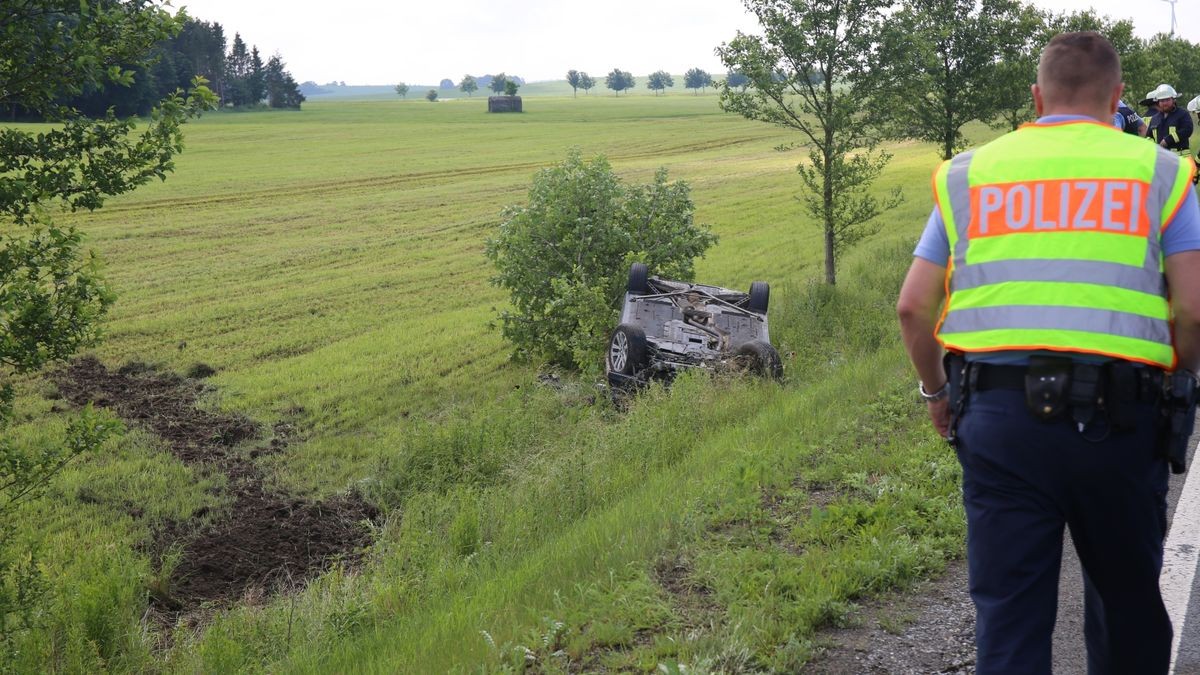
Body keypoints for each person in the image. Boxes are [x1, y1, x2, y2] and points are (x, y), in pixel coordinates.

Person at [896, 32, 1200, 674]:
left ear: (1036, 96)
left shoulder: (968, 173)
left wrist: (936, 393)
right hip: (1121, 420)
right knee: (1126, 613)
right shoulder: (1161, 171)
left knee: (1009, 619)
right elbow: (1192, 311)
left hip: (998, 418)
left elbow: (913, 308)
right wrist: (1179, 383)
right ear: (1118, 97)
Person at [1146, 83, 1193, 152]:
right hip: (1162, 157)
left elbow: (1187, 130)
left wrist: (1168, 140)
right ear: (1158, 102)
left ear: (1174, 100)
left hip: (1180, 158)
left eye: (1167, 100)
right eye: (1162, 101)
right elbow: (1149, 136)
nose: (1165, 103)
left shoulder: (1183, 114)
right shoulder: (1154, 119)